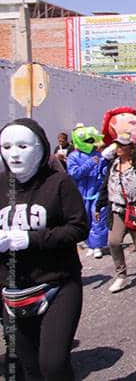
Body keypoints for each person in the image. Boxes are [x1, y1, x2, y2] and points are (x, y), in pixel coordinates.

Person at [0, 118, 88, 380]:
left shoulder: (59, 183)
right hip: (13, 291)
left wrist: (31, 239)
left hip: (57, 284)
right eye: (6, 147)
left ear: (40, 149)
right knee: (30, 368)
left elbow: (78, 228)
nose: (14, 154)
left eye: (23, 146)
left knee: (53, 364)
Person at [95, 133, 136, 293]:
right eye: (117, 145)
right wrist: (98, 206)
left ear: (130, 148)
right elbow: (106, 185)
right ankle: (121, 275)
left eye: (122, 145)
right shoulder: (113, 164)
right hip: (117, 209)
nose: (119, 148)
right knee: (114, 242)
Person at [67, 124, 108, 259]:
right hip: (81, 193)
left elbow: (105, 172)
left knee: (98, 217)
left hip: (97, 192)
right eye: (88, 141)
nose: (91, 143)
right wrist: (90, 164)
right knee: (85, 219)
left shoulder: (99, 155)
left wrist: (104, 168)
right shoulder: (73, 157)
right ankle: (89, 243)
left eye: (92, 140)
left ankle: (97, 246)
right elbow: (74, 173)